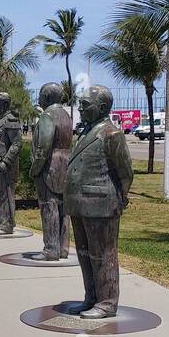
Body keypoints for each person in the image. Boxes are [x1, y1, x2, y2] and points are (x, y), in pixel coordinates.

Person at [63, 85, 132, 320]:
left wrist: (120, 198)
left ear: (102, 108)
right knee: (84, 253)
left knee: (103, 254)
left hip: (101, 204)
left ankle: (107, 302)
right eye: (80, 104)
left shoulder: (112, 134)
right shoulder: (86, 132)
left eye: (85, 105)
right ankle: (91, 297)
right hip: (80, 204)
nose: (80, 109)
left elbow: (125, 172)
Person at [29, 82, 73, 260]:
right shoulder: (65, 115)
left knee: (49, 207)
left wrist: (35, 168)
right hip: (65, 165)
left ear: (46, 97)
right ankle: (63, 247)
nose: (38, 98)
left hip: (50, 168)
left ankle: (51, 249)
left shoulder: (47, 116)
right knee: (63, 210)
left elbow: (43, 148)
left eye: (40, 95)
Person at [0, 92, 22, 234]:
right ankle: (0, 221)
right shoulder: (0, 119)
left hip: (5, 163)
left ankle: (6, 224)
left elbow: (17, 143)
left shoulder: (11, 120)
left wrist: (6, 161)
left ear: (4, 104)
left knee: (5, 193)